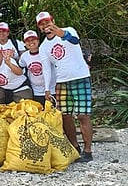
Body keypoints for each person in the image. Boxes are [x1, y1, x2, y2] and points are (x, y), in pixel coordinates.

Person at [36, 11, 93, 162]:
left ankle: (88, 151)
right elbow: (46, 68)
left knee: (83, 115)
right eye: (42, 23)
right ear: (39, 28)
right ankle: (75, 147)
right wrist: (47, 88)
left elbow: (74, 40)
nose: (45, 25)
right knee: (65, 116)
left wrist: (61, 33)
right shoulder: (43, 47)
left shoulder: (69, 30)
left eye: (47, 21)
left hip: (80, 77)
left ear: (52, 20)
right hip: (61, 82)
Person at [18, 30, 55, 105]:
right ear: (25, 43)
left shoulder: (46, 51)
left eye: (33, 39)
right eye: (28, 40)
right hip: (36, 91)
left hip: (51, 89)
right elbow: (20, 67)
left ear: (38, 40)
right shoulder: (24, 56)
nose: (31, 42)